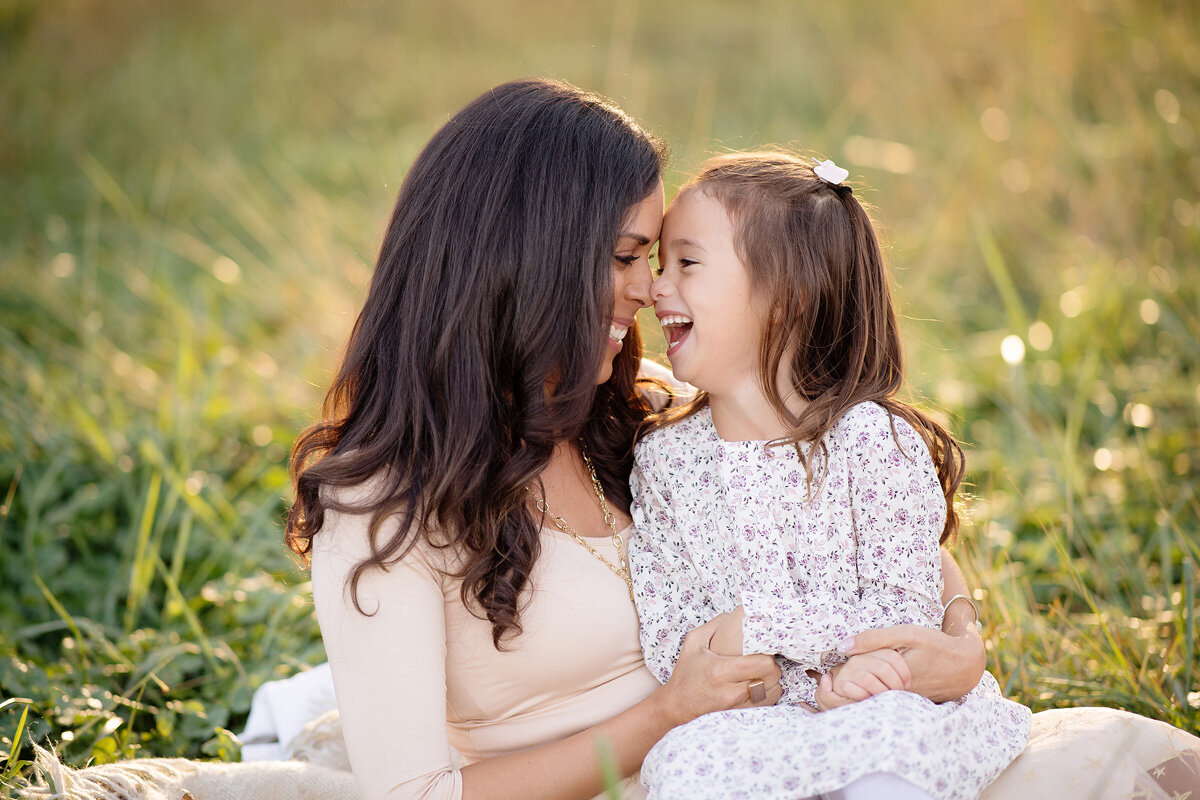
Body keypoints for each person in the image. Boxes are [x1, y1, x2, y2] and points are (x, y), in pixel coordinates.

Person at [286, 79, 987, 800]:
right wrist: (665, 714)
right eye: (628, 257)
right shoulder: (380, 504)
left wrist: (959, 642)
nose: (651, 290)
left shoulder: (641, 408)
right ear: (529, 260)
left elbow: (870, 514)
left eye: (661, 260)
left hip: (790, 754)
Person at [628, 152, 1032, 800]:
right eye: (658, 265)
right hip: (746, 726)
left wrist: (792, 646)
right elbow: (674, 635)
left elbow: (906, 604)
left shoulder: (875, 442)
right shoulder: (666, 463)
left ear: (785, 297)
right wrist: (789, 657)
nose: (656, 289)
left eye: (686, 263)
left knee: (893, 747)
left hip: (876, 701)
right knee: (684, 764)